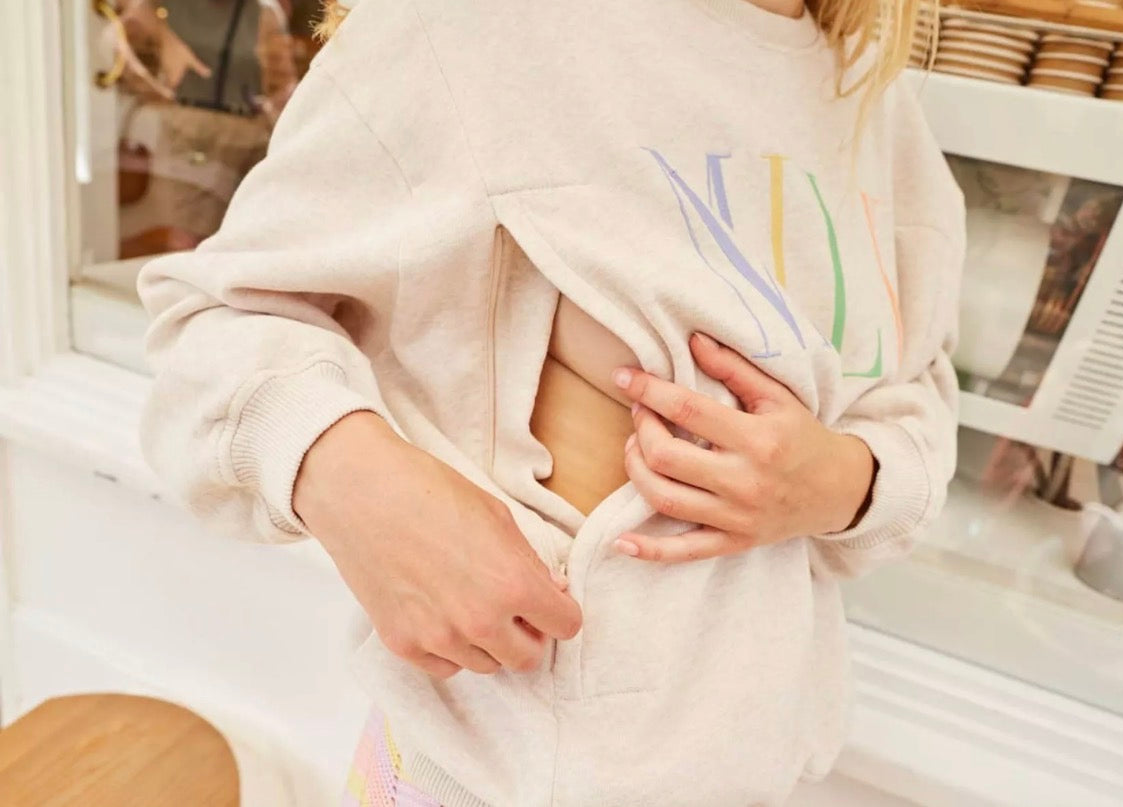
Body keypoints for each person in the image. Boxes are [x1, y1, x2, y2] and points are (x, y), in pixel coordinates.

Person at [138, 0, 964, 803]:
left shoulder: (872, 94)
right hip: (484, 779)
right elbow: (210, 319)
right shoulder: (480, 27)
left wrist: (847, 482)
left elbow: (918, 389)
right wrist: (350, 475)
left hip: (755, 774)